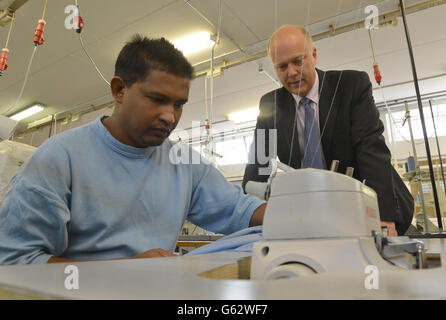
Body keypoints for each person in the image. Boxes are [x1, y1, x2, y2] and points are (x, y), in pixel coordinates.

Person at [0, 35, 266, 265]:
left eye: (178, 104)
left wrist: (299, 208)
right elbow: (14, 260)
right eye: (158, 99)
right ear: (119, 90)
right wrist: (125, 269)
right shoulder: (59, 158)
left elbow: (239, 210)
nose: (170, 117)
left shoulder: (184, 163)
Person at [242, 25, 413, 236]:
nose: (292, 72)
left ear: (314, 55)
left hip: (363, 206)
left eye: (298, 61)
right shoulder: (270, 104)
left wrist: (383, 218)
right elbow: (258, 168)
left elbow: (371, 150)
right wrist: (251, 221)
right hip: (311, 216)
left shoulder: (351, 85)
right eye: (282, 67)